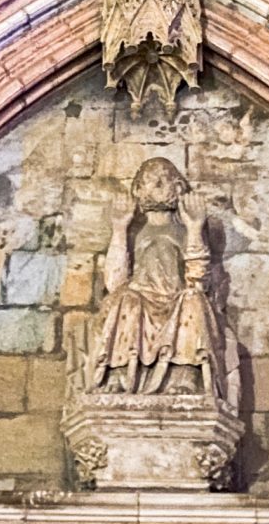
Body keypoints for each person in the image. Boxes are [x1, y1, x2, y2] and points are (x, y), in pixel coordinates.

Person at [89, 157, 223, 396]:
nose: (158, 184)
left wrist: (194, 229)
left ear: (178, 188)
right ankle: (121, 374)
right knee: (126, 300)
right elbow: (114, 283)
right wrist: (119, 228)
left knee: (193, 300)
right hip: (140, 298)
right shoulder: (134, 233)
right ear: (138, 190)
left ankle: (184, 376)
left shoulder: (183, 231)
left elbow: (198, 280)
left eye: (165, 179)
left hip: (176, 300)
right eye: (150, 180)